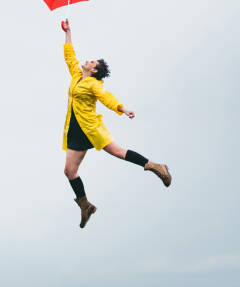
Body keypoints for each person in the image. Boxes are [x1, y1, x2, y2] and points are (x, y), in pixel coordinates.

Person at [60, 19, 172, 229]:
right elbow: (69, 57)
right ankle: (85, 206)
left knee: (118, 152)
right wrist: (68, 32)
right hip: (75, 129)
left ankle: (156, 166)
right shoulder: (77, 75)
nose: (88, 61)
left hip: (90, 128)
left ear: (94, 71)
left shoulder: (94, 85)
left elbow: (106, 97)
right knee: (69, 171)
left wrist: (122, 109)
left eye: (93, 62)